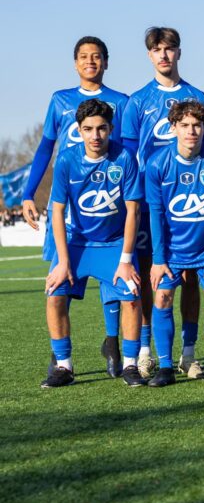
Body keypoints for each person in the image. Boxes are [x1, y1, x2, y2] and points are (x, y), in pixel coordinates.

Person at [22, 36, 130, 378]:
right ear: (75, 63)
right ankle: (61, 359)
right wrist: (28, 193)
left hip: (108, 206)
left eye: (97, 56)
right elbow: (44, 149)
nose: (90, 61)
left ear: (106, 62)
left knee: (115, 283)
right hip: (69, 212)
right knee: (60, 281)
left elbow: (127, 151)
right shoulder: (61, 100)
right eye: (84, 56)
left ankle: (113, 343)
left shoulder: (120, 102)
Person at [121, 27, 204, 380]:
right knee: (149, 276)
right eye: (157, 49)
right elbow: (129, 156)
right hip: (148, 204)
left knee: (190, 278)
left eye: (169, 49)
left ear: (179, 53)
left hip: (189, 201)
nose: (164, 55)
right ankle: (146, 351)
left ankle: (188, 354)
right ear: (149, 55)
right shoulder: (137, 100)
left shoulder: (196, 94)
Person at [41, 99, 144, 388]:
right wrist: (62, 262)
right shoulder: (66, 159)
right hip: (78, 244)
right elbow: (58, 210)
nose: (95, 136)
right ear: (79, 130)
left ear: (111, 129)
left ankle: (131, 364)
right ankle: (63, 365)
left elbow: (133, 211)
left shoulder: (124, 157)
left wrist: (125, 260)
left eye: (101, 129)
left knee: (132, 296)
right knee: (54, 294)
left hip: (114, 244)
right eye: (88, 129)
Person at [144, 101, 204, 387]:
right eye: (184, 125)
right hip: (171, 251)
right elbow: (156, 215)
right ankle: (166, 367)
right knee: (162, 298)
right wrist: (159, 259)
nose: (191, 131)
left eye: (197, 125)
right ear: (173, 128)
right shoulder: (158, 164)